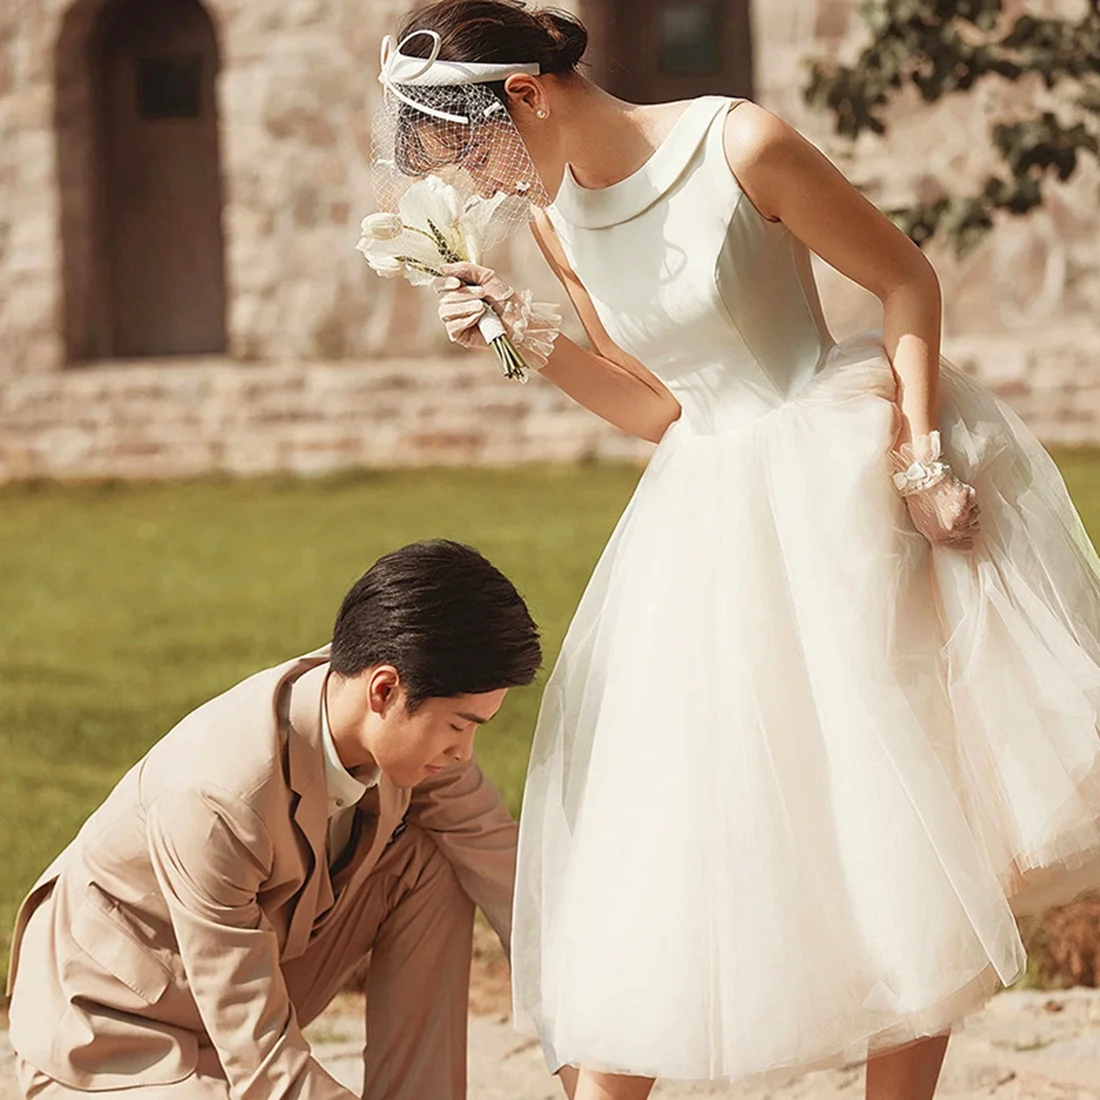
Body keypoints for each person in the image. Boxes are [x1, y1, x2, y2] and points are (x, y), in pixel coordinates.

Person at [373, 3, 1100, 1099]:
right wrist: (533, 343)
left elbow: (906, 280)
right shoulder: (551, 221)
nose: (470, 177)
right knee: (675, 819)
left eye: (470, 144)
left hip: (840, 488)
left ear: (527, 94)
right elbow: (661, 407)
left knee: (895, 818)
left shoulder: (737, 143)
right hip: (701, 522)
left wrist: (919, 461)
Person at [6, 539, 542, 1100]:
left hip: (240, 985)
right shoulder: (217, 798)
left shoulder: (403, 728)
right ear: (384, 689)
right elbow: (265, 1066)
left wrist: (592, 1048)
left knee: (434, 860)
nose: (464, 751)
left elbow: (508, 880)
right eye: (459, 726)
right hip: (115, 1031)